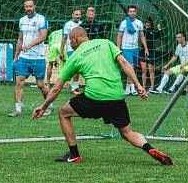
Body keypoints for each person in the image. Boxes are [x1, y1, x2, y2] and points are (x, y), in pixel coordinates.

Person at [33, 26, 173, 165]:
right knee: (127, 133)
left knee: (63, 113)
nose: (70, 44)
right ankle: (150, 149)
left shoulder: (74, 57)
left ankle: (74, 155)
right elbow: (124, 62)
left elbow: (57, 88)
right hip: (117, 97)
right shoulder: (106, 42)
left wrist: (44, 107)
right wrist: (138, 85)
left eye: (70, 41)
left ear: (75, 39)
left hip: (94, 98)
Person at [9, 0, 52, 117]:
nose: (28, 8)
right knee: (19, 81)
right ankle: (17, 109)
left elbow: (43, 37)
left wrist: (30, 45)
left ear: (34, 7)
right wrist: (16, 56)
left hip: (38, 57)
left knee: (40, 85)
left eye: (30, 6)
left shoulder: (41, 19)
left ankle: (49, 104)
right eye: (26, 6)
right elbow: (20, 39)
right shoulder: (22, 20)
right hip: (23, 58)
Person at [116, 5, 148, 96]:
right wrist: (118, 48)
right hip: (126, 48)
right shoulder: (124, 23)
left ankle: (128, 88)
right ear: (128, 12)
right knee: (131, 67)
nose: (132, 13)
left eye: (134, 11)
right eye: (130, 11)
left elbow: (142, 36)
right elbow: (119, 36)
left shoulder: (139, 23)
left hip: (135, 48)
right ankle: (132, 88)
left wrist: (145, 48)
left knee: (133, 68)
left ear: (136, 12)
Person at [60, 8, 83, 94]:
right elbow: (64, 38)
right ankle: (73, 86)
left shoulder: (82, 24)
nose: (78, 16)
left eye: (79, 14)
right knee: (75, 67)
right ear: (72, 15)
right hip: (71, 49)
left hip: (82, 48)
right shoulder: (68, 25)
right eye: (76, 14)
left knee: (79, 67)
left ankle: (74, 85)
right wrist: (61, 51)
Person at [140, 19, 162, 91]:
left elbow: (160, 35)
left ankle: (152, 87)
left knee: (151, 70)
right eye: (146, 24)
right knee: (143, 70)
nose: (147, 26)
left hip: (151, 52)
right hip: (143, 51)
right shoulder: (143, 31)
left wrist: (159, 28)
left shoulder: (154, 31)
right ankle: (143, 87)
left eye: (148, 25)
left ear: (151, 25)